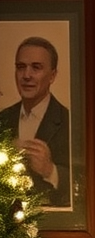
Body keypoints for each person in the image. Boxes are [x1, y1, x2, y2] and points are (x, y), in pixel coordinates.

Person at [0, 37, 71, 207]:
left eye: (36, 67)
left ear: (52, 75)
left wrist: (50, 170)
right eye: (20, 67)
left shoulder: (69, 121)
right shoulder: (2, 119)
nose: (26, 75)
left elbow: (85, 183)